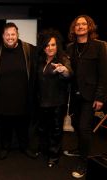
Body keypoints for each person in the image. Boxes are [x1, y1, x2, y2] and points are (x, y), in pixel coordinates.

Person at [0, 22, 38, 160]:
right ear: (3, 36)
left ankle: (25, 147)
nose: (10, 37)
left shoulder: (30, 50)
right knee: (4, 127)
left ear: (17, 34)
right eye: (7, 34)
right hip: (2, 100)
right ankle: (4, 147)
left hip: (23, 99)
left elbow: (45, 60)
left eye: (13, 34)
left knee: (23, 127)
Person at [63, 15, 107, 178]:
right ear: (74, 28)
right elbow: (69, 71)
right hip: (74, 95)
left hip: (90, 96)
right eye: (77, 24)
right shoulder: (69, 47)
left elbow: (103, 74)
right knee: (76, 124)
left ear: (89, 27)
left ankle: (83, 163)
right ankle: (80, 149)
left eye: (84, 24)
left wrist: (100, 97)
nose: (80, 26)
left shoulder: (100, 46)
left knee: (84, 128)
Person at [36, 29, 72, 167]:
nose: (50, 48)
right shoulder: (41, 60)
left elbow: (69, 74)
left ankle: (54, 156)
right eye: (47, 45)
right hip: (42, 102)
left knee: (56, 131)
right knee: (43, 129)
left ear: (57, 45)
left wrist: (64, 71)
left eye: (52, 45)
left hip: (57, 103)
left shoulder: (63, 59)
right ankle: (45, 150)